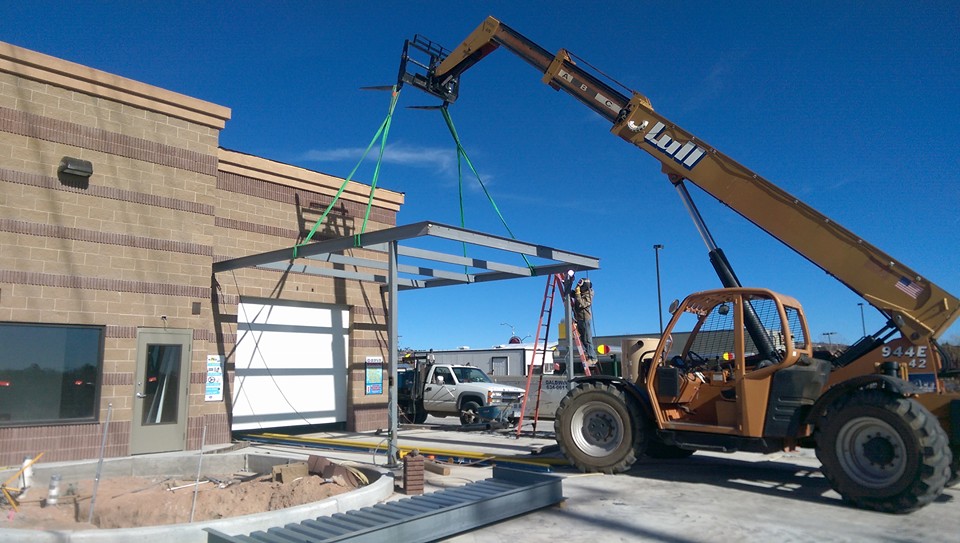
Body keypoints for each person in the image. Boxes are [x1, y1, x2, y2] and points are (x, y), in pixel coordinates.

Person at [572, 278, 596, 362]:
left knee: (587, 339)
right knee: (582, 338)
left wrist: (577, 294)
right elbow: (573, 294)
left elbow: (582, 304)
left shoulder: (589, 294)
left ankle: (592, 357)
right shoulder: (580, 293)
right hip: (579, 318)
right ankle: (588, 354)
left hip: (585, 318)